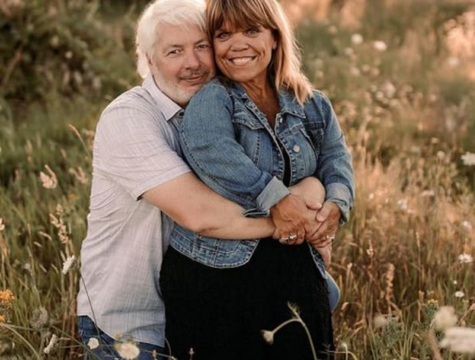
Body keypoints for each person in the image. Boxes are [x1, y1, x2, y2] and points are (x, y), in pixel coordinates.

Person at [76, 0, 327, 359]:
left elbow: (295, 172)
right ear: (149, 61)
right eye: (174, 51)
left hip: (206, 308)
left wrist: (308, 193)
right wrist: (293, 218)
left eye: (202, 46)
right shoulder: (128, 120)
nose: (192, 63)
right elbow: (202, 216)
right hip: (131, 326)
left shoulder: (230, 111)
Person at [160, 0, 355, 359]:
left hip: (294, 261)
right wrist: (278, 198)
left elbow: (335, 156)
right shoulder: (213, 100)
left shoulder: (310, 102)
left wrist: (335, 204)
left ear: (275, 37)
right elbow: (214, 154)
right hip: (220, 270)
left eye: (251, 30)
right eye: (223, 34)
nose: (237, 44)